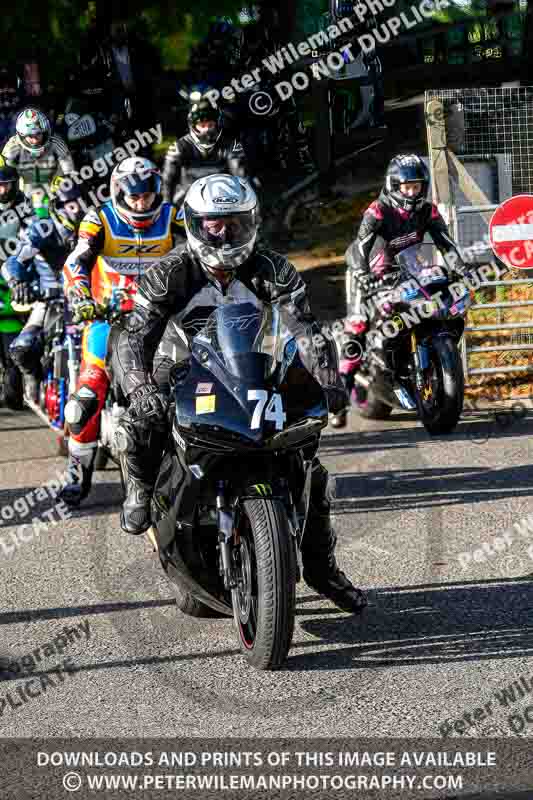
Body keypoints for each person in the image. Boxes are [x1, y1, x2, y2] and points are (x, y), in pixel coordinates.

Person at [111, 173, 365, 614]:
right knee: (140, 421)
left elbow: (306, 329)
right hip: (181, 366)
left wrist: (328, 379)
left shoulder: (273, 268)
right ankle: (140, 488)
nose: (225, 233)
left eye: (235, 222)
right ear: (194, 223)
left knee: (310, 462)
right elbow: (134, 338)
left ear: (252, 222)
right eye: (214, 224)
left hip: (251, 364)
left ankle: (321, 567)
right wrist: (141, 388)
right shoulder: (168, 272)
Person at [58, 157, 184, 507]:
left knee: (188, 378)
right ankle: (78, 470)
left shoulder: (175, 216)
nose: (141, 203)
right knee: (85, 397)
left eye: (147, 196)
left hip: (162, 315)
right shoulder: (98, 218)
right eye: (134, 196)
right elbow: (76, 261)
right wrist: (81, 295)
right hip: (107, 316)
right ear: (118, 192)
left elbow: (204, 252)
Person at [334, 153, 470, 427]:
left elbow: (445, 243)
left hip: (407, 264)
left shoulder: (427, 211)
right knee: (359, 324)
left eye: (416, 187)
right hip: (370, 267)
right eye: (406, 187)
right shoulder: (377, 211)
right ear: (393, 186)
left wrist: (460, 270)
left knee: (434, 296)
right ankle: (339, 394)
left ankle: (420, 359)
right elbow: (361, 246)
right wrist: (364, 275)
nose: (411, 192)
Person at [2, 177, 85, 401]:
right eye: (70, 205)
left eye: (79, 203)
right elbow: (13, 262)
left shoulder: (95, 227)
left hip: (88, 298)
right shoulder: (40, 230)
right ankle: (33, 377)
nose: (76, 211)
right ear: (57, 205)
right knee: (21, 349)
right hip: (49, 301)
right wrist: (18, 283)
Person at [162, 94, 248, 205]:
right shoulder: (179, 147)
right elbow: (167, 181)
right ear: (193, 125)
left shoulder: (231, 145)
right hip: (188, 200)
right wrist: (167, 208)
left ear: (216, 124)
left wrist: (245, 204)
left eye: (210, 125)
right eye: (202, 125)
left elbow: (241, 177)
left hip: (223, 200)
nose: (207, 129)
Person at [1, 107, 74, 199]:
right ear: (21, 134)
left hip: (54, 176)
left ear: (44, 132)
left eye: (38, 134)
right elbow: (3, 166)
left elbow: (69, 168)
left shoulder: (55, 141)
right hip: (27, 178)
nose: (34, 139)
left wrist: (63, 179)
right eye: (30, 135)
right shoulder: (13, 145)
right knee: (28, 193)